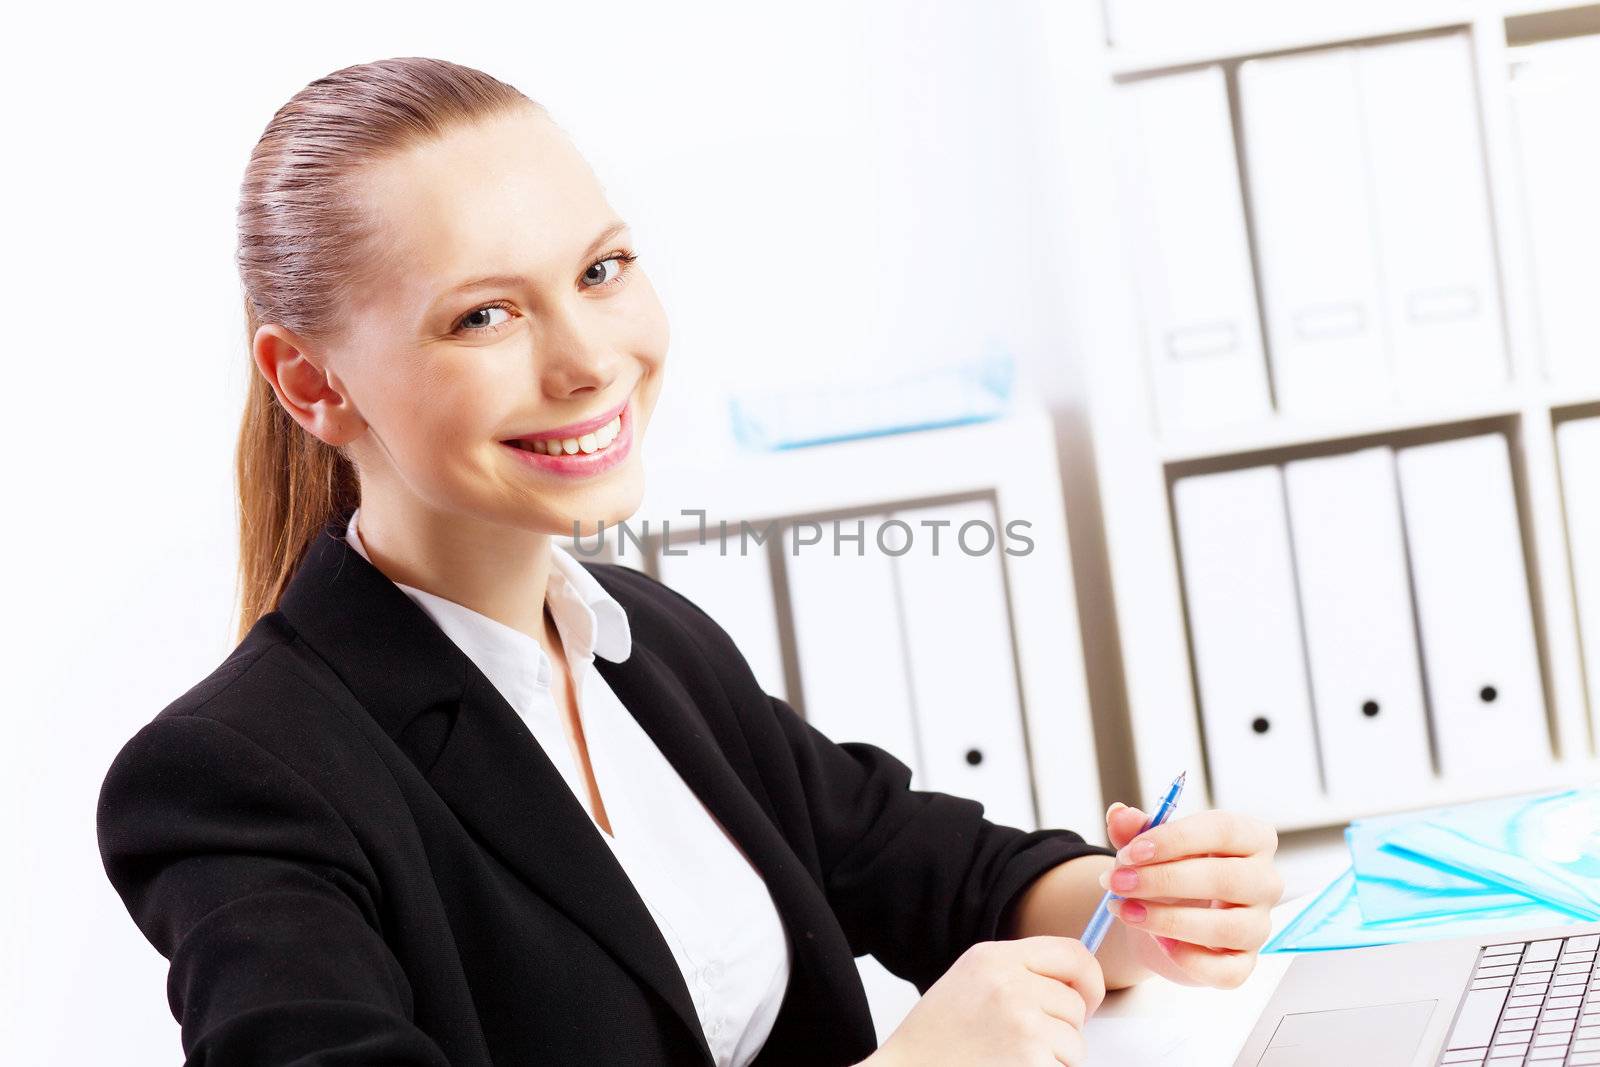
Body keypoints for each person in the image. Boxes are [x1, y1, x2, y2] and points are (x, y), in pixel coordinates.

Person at [95, 56, 1284, 1067]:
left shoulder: (642, 640)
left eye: (600, 270)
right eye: (484, 316)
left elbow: (934, 868)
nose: (588, 360)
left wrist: (1136, 907)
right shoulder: (231, 780)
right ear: (312, 381)